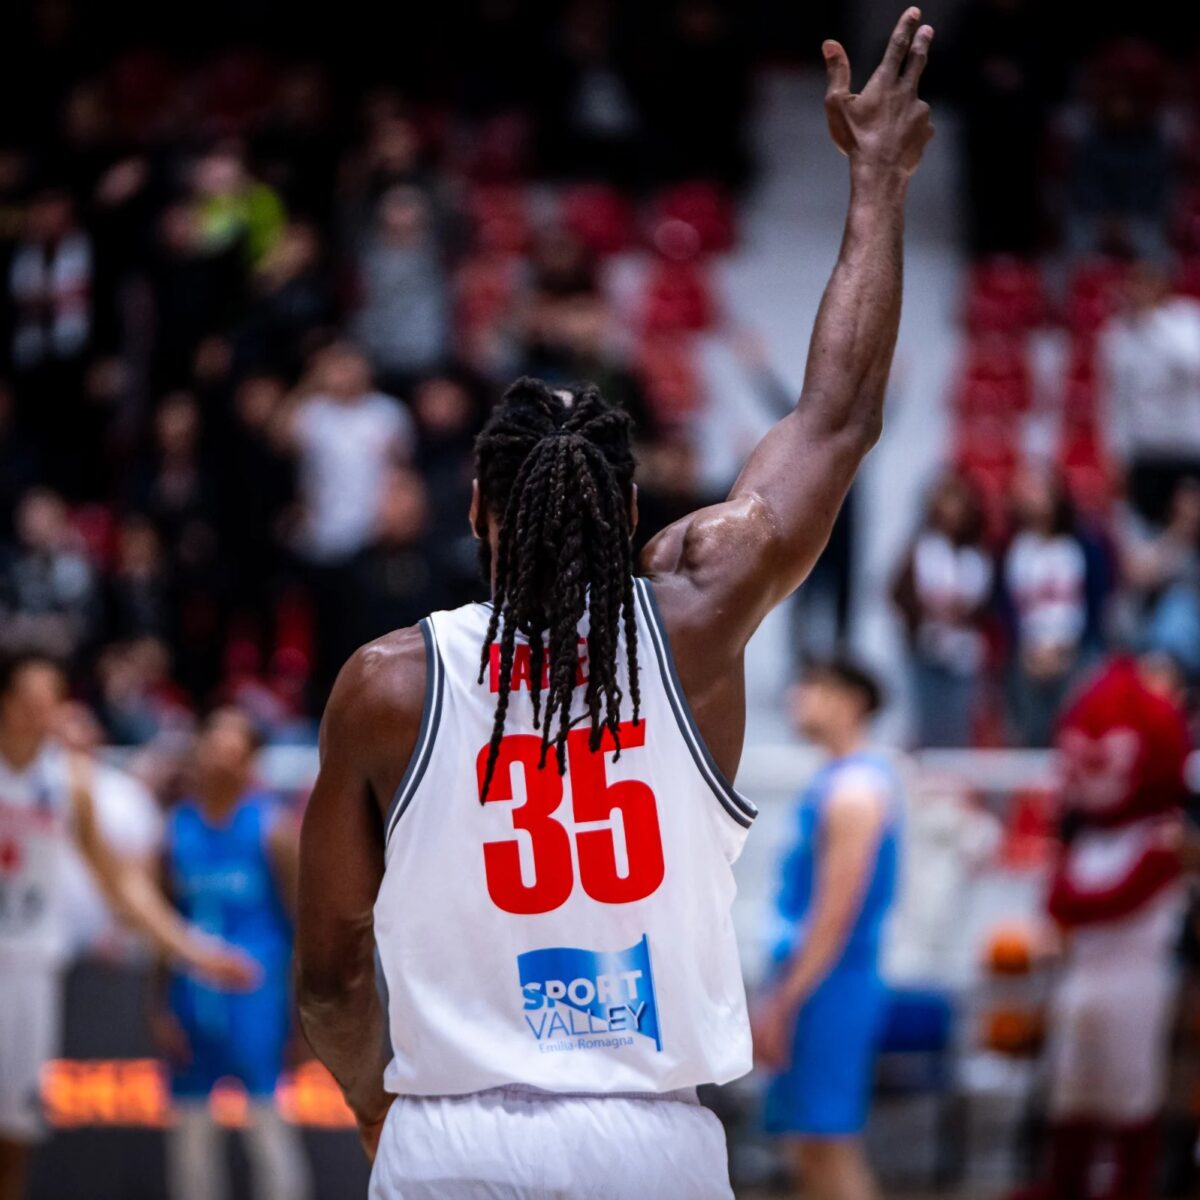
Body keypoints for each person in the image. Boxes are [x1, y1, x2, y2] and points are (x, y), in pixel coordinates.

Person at [295, 12, 934, 1198]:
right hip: (647, 1142)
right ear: (633, 503)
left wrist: (389, 1119)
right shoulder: (694, 625)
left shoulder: (386, 683)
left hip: (452, 1139)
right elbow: (836, 417)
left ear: (478, 513)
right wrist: (879, 181)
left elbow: (328, 976)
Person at [0, 655, 256, 1200]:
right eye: (31, 701)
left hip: (30, 970)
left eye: (52, 700)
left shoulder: (68, 782)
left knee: (15, 1137)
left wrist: (191, 950)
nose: (44, 713)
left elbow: (121, 884)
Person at [1012, 654, 1192, 1200]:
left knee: (1129, 1093)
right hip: (1080, 976)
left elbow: (1112, 898)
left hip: (1138, 979)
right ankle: (1063, 1182)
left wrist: (1068, 907)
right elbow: (1059, 896)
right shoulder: (1087, 837)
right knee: (1072, 1092)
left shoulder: (1165, 839)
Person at [753, 659, 902, 1200]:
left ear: (850, 700)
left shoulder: (855, 792)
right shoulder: (836, 781)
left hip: (831, 985)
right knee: (808, 1148)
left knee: (829, 1146)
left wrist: (784, 1002)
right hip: (819, 981)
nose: (797, 698)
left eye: (812, 687)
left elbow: (833, 918)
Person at [153, 707, 312, 1200]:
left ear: (251, 763)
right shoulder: (174, 830)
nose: (219, 759)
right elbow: (161, 925)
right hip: (191, 1001)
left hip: (257, 1002)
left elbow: (303, 928)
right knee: (191, 1142)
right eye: (212, 746)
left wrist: (303, 1020)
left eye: (232, 750)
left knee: (270, 1131)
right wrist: (157, 1007)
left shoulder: (273, 830)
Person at [891, 471, 993, 747]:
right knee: (926, 724)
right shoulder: (921, 549)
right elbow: (896, 595)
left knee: (959, 724)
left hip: (963, 653)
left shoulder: (979, 554)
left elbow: (988, 606)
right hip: (925, 650)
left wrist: (963, 612)